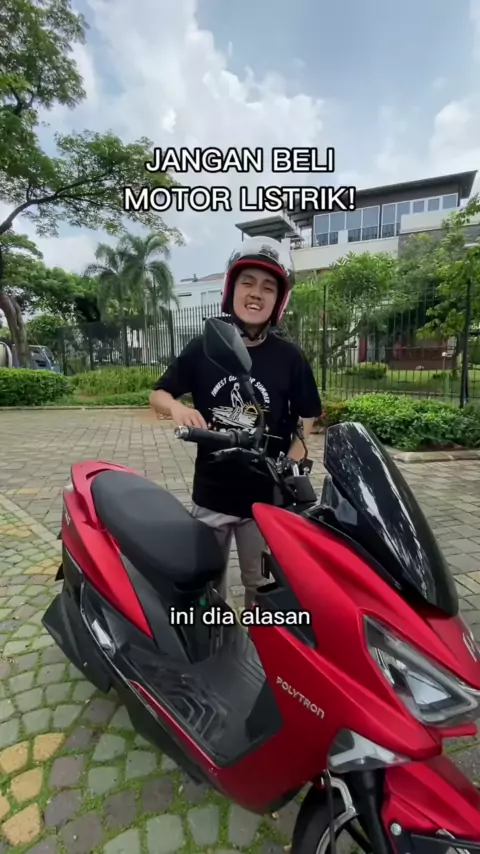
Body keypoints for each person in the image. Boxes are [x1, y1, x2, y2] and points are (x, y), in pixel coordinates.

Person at [149, 236, 322, 609]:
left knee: (263, 587)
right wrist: (176, 408)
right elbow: (158, 394)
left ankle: (262, 642)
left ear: (279, 300)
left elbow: (308, 413)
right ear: (231, 289)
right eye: (248, 282)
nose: (256, 293)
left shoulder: (289, 357)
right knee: (206, 585)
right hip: (212, 491)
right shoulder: (203, 347)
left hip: (266, 497)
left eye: (268, 287)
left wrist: (292, 459)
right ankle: (214, 638)